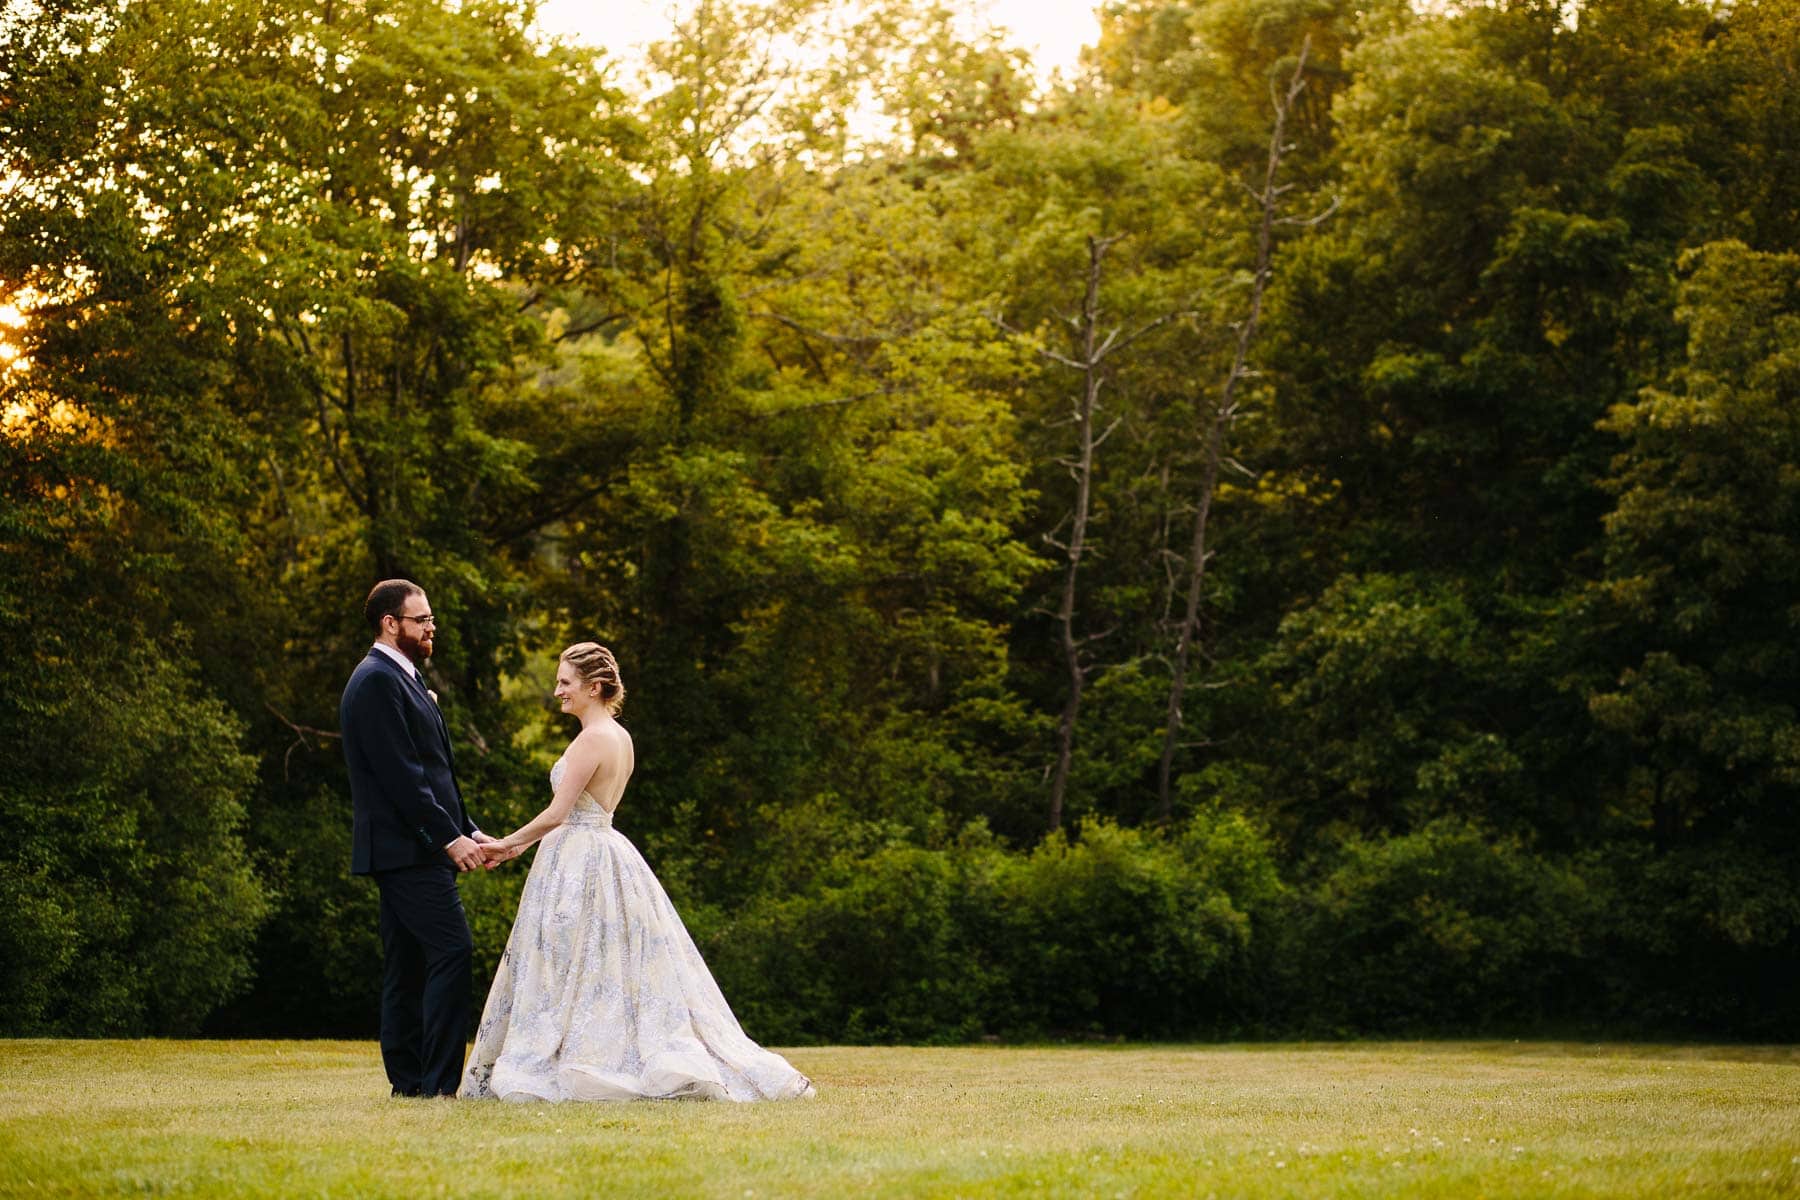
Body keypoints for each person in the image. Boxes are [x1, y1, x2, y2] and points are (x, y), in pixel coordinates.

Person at [458, 642, 816, 1102]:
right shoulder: (620, 736)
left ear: (595, 686)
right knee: (599, 962)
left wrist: (506, 845)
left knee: (571, 962)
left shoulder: (592, 739)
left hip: (580, 857)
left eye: (565, 683)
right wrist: (515, 847)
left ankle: (573, 1056)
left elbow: (557, 812)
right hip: (601, 848)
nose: (557, 691)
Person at [341, 579, 492, 1097]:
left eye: (430, 620)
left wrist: (467, 828)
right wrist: (447, 840)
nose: (431, 628)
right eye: (421, 620)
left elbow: (435, 771)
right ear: (390, 623)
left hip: (416, 846)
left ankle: (410, 1083)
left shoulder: (403, 678)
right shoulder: (377, 681)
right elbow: (401, 779)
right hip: (408, 851)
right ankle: (436, 1085)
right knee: (453, 950)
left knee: (405, 967)